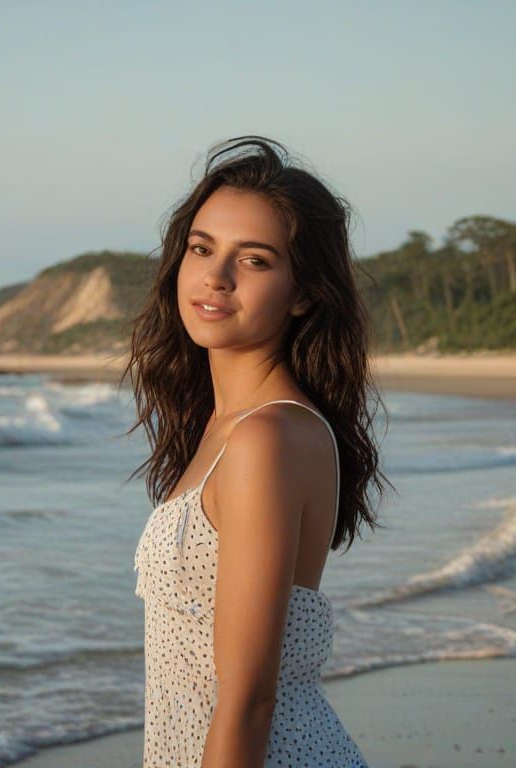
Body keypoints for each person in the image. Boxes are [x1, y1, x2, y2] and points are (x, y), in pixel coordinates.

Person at [120, 135, 393, 767]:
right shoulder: (227, 426)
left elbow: (248, 700)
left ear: (303, 293)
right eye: (201, 248)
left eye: (256, 260)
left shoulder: (266, 438)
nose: (215, 277)